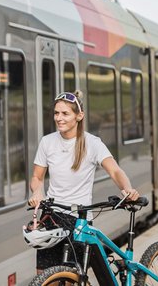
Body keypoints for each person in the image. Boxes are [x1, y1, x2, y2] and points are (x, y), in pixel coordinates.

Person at [25, 90, 140, 274]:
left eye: (65, 113)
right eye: (56, 113)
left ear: (79, 116)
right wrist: (37, 192)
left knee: (72, 277)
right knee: (44, 277)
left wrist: (127, 189)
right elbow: (37, 177)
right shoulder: (47, 142)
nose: (59, 118)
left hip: (79, 219)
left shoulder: (92, 143)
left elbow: (115, 170)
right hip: (51, 217)